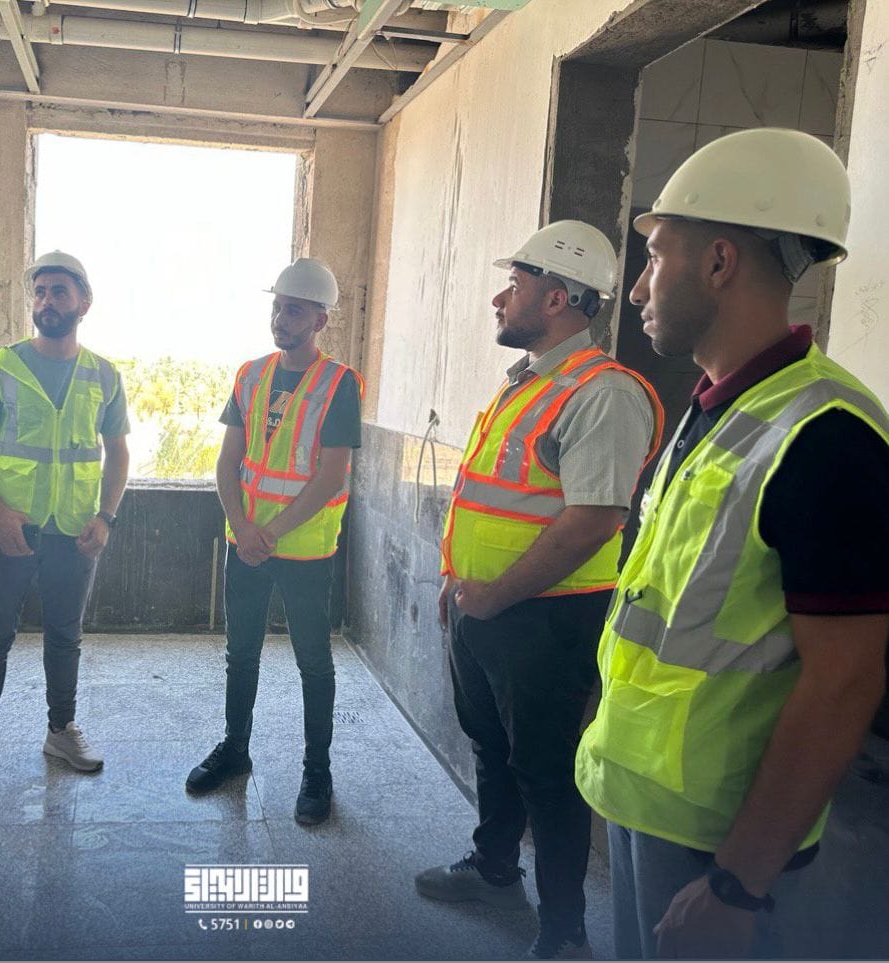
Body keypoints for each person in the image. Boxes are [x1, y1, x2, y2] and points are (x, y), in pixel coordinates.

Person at [575, 127, 889, 959]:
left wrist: (738, 883)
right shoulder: (715, 407)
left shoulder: (828, 435)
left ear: (718, 262)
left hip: (724, 847)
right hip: (652, 806)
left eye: (655, 255)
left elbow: (844, 679)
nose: (637, 285)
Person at [416, 220, 662, 960]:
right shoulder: (528, 381)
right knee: (491, 745)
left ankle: (564, 931)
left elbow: (594, 520)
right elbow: (491, 498)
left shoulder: (603, 392)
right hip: (485, 605)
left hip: (549, 617)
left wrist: (496, 596)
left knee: (547, 773)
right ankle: (496, 868)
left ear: (558, 298)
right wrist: (459, 582)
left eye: (515, 285)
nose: (500, 298)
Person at [185, 257, 363, 827]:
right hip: (247, 542)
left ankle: (317, 770)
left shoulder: (339, 383)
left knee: (314, 661)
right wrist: (242, 527)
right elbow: (228, 461)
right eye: (278, 308)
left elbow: (331, 475)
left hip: (304, 548)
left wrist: (269, 533)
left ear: (321, 320)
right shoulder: (251, 374)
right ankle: (235, 749)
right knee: (241, 652)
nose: (281, 319)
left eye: (295, 311)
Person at [0, 250, 129, 793]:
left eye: (59, 291)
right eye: (40, 292)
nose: (47, 301)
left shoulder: (102, 374)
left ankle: (61, 730)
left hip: (74, 530)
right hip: (9, 528)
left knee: (64, 636)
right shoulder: (0, 367)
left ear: (84, 303)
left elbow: (118, 452)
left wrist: (106, 517)